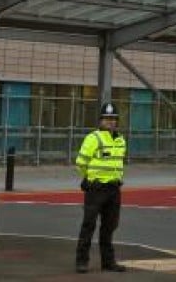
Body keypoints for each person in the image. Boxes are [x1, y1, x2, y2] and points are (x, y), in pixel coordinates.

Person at [75, 102, 127, 274]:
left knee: (110, 226)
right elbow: (81, 162)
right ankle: (81, 261)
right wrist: (88, 179)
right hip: (96, 189)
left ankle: (108, 262)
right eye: (107, 118)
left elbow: (118, 163)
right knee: (88, 225)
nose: (110, 122)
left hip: (113, 189)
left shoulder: (120, 140)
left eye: (113, 119)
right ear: (100, 120)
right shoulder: (93, 138)